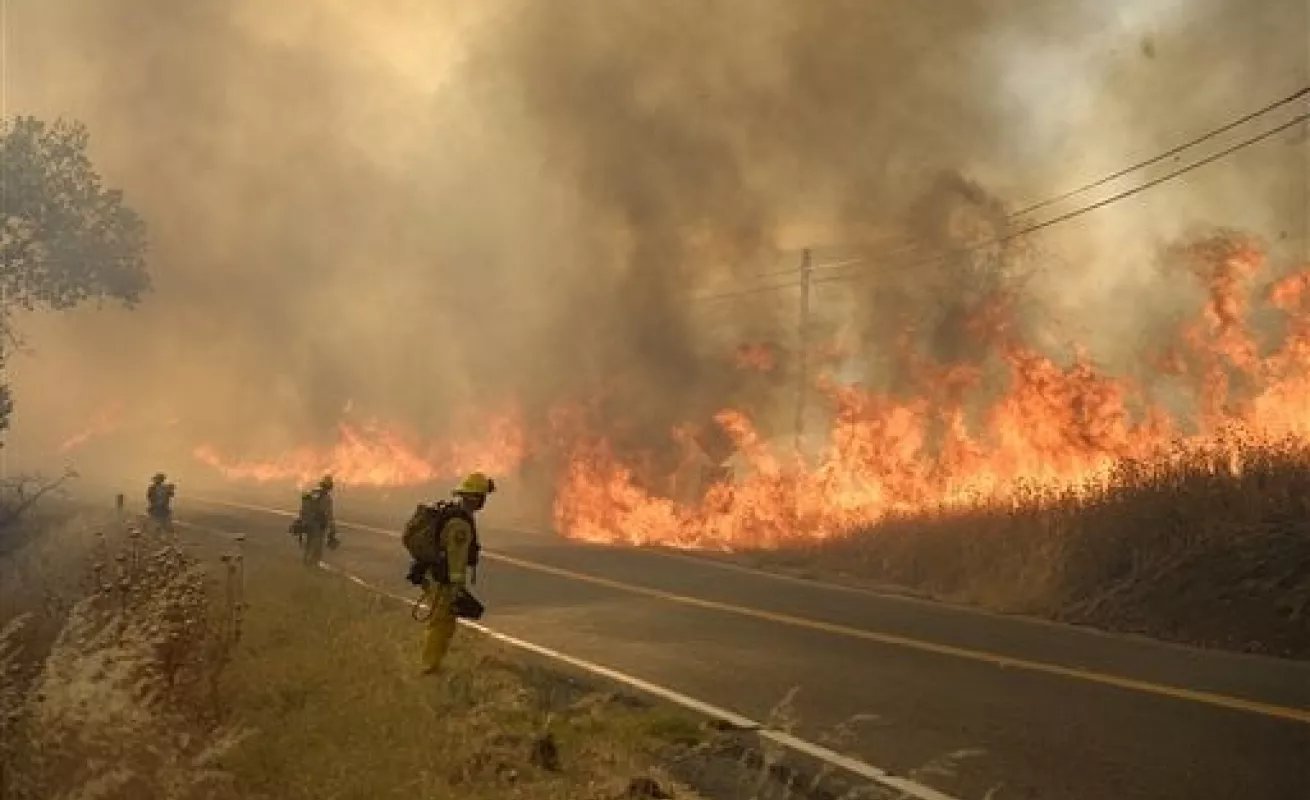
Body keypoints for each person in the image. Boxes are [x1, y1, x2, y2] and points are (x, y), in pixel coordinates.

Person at [415, 471, 493, 675]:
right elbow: (457, 561)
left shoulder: (456, 514)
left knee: (445, 622)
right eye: (483, 496)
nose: (484, 501)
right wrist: (457, 590)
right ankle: (428, 666)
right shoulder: (460, 525)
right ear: (475, 497)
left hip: (435, 576)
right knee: (440, 622)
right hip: (443, 581)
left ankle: (433, 662)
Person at [298, 474, 339, 567]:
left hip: (308, 523)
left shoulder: (313, 493)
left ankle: (306, 563)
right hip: (318, 525)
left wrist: (302, 520)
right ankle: (313, 566)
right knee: (317, 547)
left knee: (309, 544)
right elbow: (328, 514)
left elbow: (304, 506)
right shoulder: (326, 498)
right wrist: (333, 529)